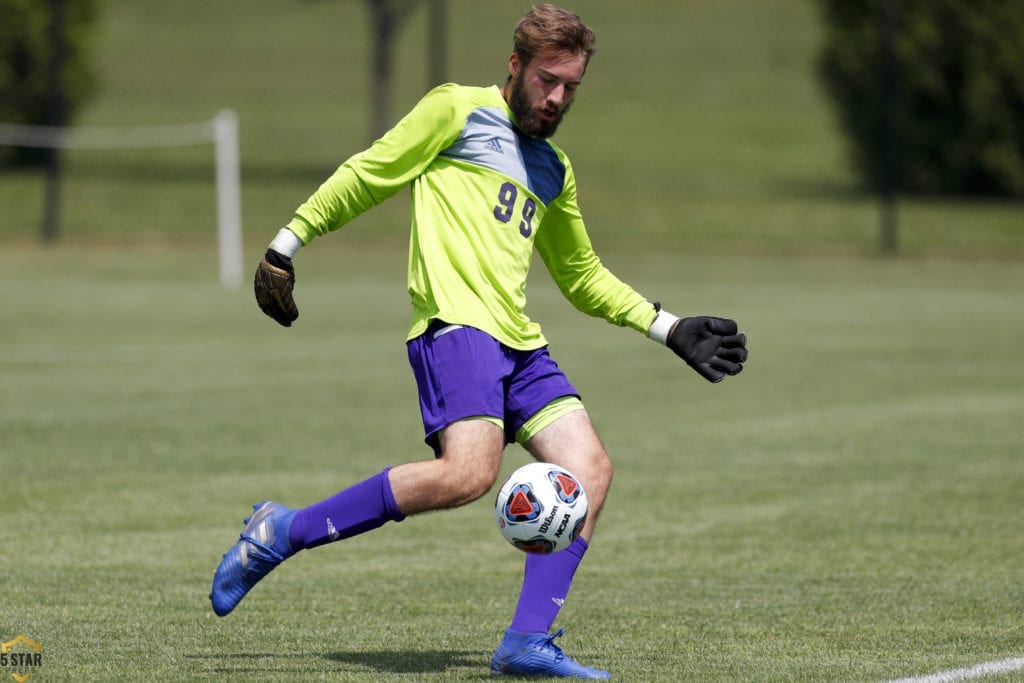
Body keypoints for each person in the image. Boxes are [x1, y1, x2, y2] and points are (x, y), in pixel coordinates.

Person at [210, 3, 747, 678]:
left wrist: (668, 327)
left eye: (571, 88)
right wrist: (287, 244)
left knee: (592, 470)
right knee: (469, 473)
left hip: (519, 342)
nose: (557, 98)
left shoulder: (553, 169)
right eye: (549, 80)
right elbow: (370, 172)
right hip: (455, 325)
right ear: (516, 66)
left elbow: (581, 276)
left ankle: (526, 640)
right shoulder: (456, 110)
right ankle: (279, 532)